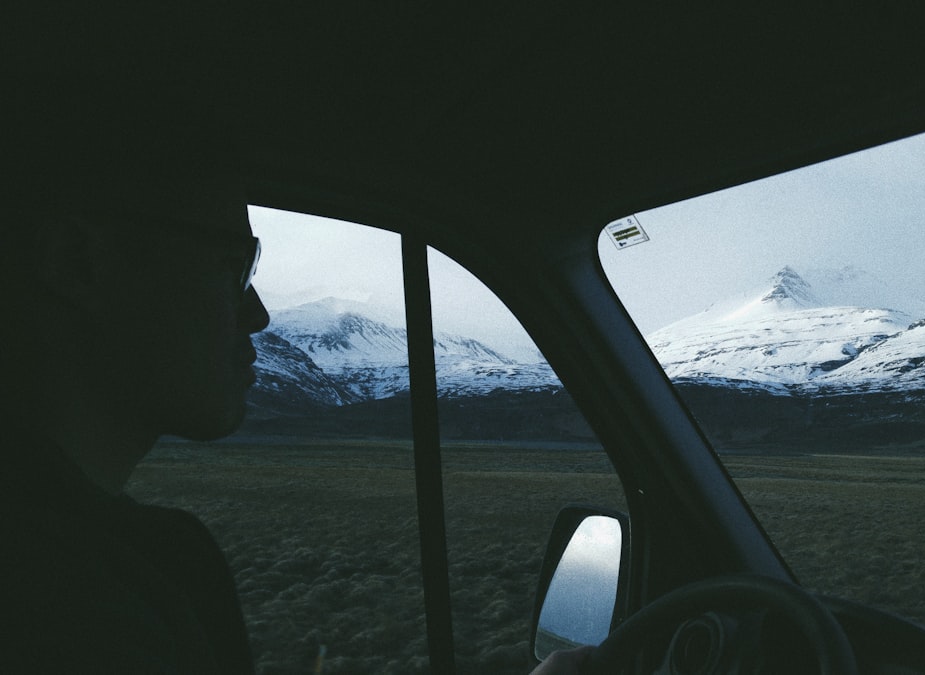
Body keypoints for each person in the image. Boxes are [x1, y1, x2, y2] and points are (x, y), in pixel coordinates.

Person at [0, 82, 592, 673]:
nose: (257, 315)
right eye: (235, 264)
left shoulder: (92, 560)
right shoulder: (79, 600)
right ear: (78, 260)